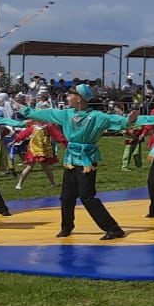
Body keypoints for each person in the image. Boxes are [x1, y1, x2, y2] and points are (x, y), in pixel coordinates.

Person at [17, 85, 131, 240]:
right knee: (66, 196)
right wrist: (25, 109)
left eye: (69, 96)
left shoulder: (96, 116)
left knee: (87, 196)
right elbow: (46, 114)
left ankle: (113, 228)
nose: (66, 98)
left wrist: (130, 119)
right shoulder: (66, 114)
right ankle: (67, 227)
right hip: (71, 159)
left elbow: (116, 120)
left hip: (87, 160)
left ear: (78, 98)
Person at [12, 111, 65, 190]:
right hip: (34, 149)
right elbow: (23, 134)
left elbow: (57, 135)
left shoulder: (48, 126)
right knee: (29, 166)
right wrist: (15, 141)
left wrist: (64, 141)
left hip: (44, 150)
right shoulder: (33, 127)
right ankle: (19, 184)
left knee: (45, 167)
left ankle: (53, 183)